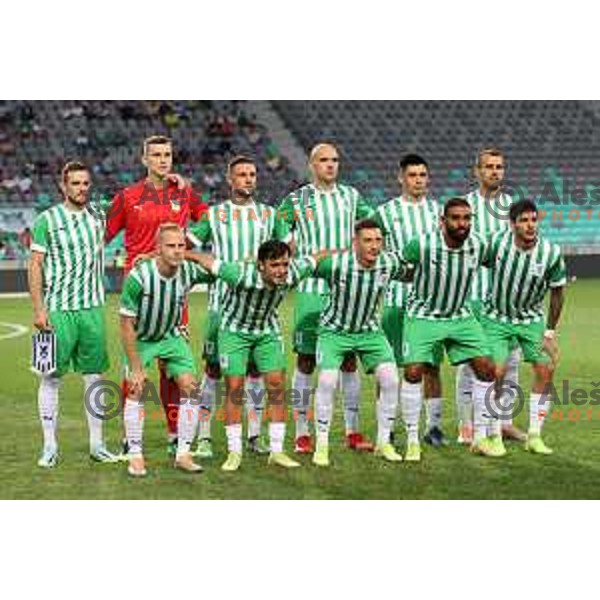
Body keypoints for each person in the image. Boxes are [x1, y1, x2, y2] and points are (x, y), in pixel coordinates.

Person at [187, 240, 329, 472]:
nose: (281, 270)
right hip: (234, 331)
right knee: (235, 387)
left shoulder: (293, 273)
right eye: (274, 265)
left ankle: (276, 450)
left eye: (284, 264)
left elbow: (318, 256)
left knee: (276, 384)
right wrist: (163, 254)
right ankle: (234, 452)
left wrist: (352, 251)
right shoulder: (238, 274)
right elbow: (205, 259)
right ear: (260, 265)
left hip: (266, 331)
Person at [106, 135, 207, 456]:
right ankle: (128, 437)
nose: (163, 160)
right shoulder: (128, 196)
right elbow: (104, 233)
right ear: (144, 159)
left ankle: (175, 432)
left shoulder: (184, 191)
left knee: (172, 367)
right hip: (139, 293)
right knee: (133, 367)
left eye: (167, 154)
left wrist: (187, 243)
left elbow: (208, 219)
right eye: (157, 155)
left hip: (174, 293)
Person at [276, 143, 374, 454]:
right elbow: (279, 234)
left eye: (335, 160)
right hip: (311, 292)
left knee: (347, 359)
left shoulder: (352, 196)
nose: (331, 165)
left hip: (346, 289)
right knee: (305, 361)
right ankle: (303, 433)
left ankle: (353, 431)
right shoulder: (296, 199)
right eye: (324, 160)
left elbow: (372, 226)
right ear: (311, 164)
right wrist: (293, 252)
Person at [28, 162, 117, 468]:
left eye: (85, 183)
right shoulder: (46, 220)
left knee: (95, 377)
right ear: (63, 186)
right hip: (57, 312)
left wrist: (171, 181)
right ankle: (49, 446)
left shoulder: (99, 214)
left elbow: (134, 198)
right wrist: (39, 309)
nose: (81, 188)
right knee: (50, 377)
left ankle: (97, 444)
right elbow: (35, 265)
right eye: (75, 183)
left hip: (92, 309)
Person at [188, 155, 275, 458]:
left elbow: (286, 250)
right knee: (212, 371)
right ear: (230, 179)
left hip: (258, 309)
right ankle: (204, 437)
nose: (248, 179)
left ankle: (253, 435)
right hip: (220, 308)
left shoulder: (268, 215)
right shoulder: (214, 215)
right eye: (242, 174)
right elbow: (186, 244)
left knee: (254, 372)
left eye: (252, 174)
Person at [400, 198, 501, 460]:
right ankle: (412, 440)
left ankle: (479, 437)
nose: (462, 224)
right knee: (413, 371)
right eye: (456, 218)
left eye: (467, 218)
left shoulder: (478, 245)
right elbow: (399, 268)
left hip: (461, 316)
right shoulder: (421, 244)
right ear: (442, 221)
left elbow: (499, 262)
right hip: (423, 315)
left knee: (487, 368)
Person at [311, 219, 409, 467]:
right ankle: (321, 446)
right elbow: (309, 263)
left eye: (378, 240)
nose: (374, 246)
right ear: (355, 243)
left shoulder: (388, 262)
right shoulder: (337, 265)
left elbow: (412, 269)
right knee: (327, 381)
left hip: (369, 332)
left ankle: (383, 442)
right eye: (367, 240)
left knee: (391, 379)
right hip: (334, 331)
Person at [119, 224, 213, 477]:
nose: (177, 251)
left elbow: (214, 265)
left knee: (192, 388)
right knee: (136, 388)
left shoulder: (188, 271)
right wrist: (137, 368)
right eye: (170, 246)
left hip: (172, 336)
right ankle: (135, 455)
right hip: (142, 338)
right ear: (158, 248)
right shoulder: (139, 277)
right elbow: (126, 324)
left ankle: (183, 454)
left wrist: (189, 255)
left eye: (181, 245)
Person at [481, 199, 566, 455]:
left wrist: (549, 333)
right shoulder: (496, 244)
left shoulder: (550, 253)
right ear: (512, 224)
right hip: (496, 318)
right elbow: (471, 262)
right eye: (524, 220)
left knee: (546, 368)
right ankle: (494, 435)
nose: (530, 225)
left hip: (530, 321)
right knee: (496, 371)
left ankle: (534, 435)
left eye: (533, 220)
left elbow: (558, 293)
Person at [375, 154, 447, 447]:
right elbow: (375, 252)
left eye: (423, 175)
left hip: (430, 304)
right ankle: (387, 429)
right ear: (400, 178)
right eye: (413, 175)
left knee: (430, 366)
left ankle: (434, 427)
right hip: (396, 299)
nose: (418, 180)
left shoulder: (439, 212)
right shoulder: (384, 212)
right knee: (389, 367)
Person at [456, 147, 525, 443]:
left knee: (510, 363)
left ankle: (505, 421)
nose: (495, 171)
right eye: (489, 166)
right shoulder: (464, 207)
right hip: (471, 297)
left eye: (499, 166)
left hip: (507, 301)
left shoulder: (513, 207)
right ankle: (467, 426)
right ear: (477, 171)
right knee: (471, 365)